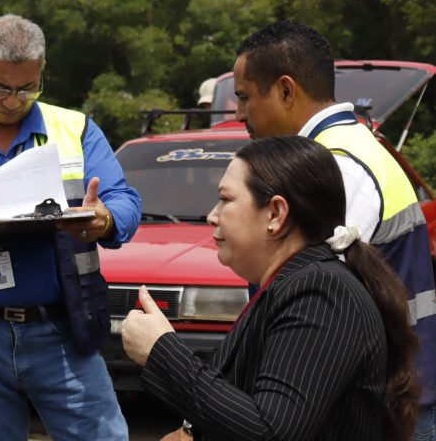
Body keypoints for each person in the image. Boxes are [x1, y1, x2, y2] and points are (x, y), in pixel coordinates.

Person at [0, 13, 141, 440]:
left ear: (41, 73)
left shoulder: (75, 129)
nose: (13, 100)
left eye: (26, 88)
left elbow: (125, 202)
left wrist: (104, 220)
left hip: (64, 333)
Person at [122, 136, 420, 440]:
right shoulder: (294, 283)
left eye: (225, 199)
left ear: (276, 214)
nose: (212, 215)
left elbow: (270, 431)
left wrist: (161, 351)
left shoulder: (321, 291)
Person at [230, 20, 436, 436]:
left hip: (382, 410)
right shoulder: (354, 147)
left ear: (286, 91)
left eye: (244, 98)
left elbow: (312, 306)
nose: (238, 114)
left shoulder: (338, 166)